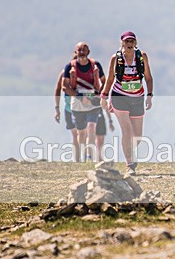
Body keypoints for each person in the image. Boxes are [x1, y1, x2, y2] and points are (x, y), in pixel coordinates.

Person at [101, 31, 153, 175]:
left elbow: (148, 77)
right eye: (126, 42)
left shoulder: (142, 57)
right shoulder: (116, 58)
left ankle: (130, 152)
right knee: (127, 130)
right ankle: (130, 163)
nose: (129, 44)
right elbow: (110, 79)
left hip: (137, 98)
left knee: (138, 137)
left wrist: (149, 95)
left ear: (135, 43)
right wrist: (104, 96)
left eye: (132, 42)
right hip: (120, 97)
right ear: (122, 43)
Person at [62, 42, 105, 162]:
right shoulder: (69, 67)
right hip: (77, 103)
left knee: (91, 127)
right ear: (75, 52)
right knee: (81, 134)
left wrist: (99, 95)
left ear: (88, 52)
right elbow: (64, 86)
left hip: (93, 103)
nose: (81, 52)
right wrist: (79, 96)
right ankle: (81, 158)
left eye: (84, 50)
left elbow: (104, 81)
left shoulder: (95, 65)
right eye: (79, 50)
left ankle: (89, 157)